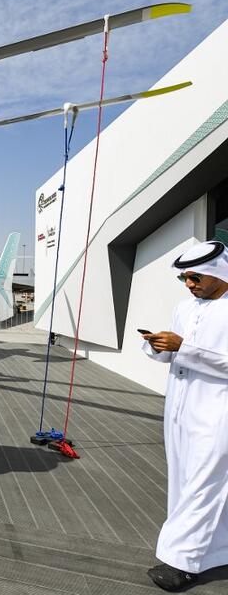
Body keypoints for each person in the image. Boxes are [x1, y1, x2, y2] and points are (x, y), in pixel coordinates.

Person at [142, 240, 228, 592]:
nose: (189, 285)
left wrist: (184, 348)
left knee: (203, 485)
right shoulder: (184, 308)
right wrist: (157, 345)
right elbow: (176, 353)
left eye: (195, 278)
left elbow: (195, 352)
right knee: (184, 481)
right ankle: (217, 551)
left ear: (219, 272)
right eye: (184, 279)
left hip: (217, 413)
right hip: (179, 411)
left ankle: (182, 562)